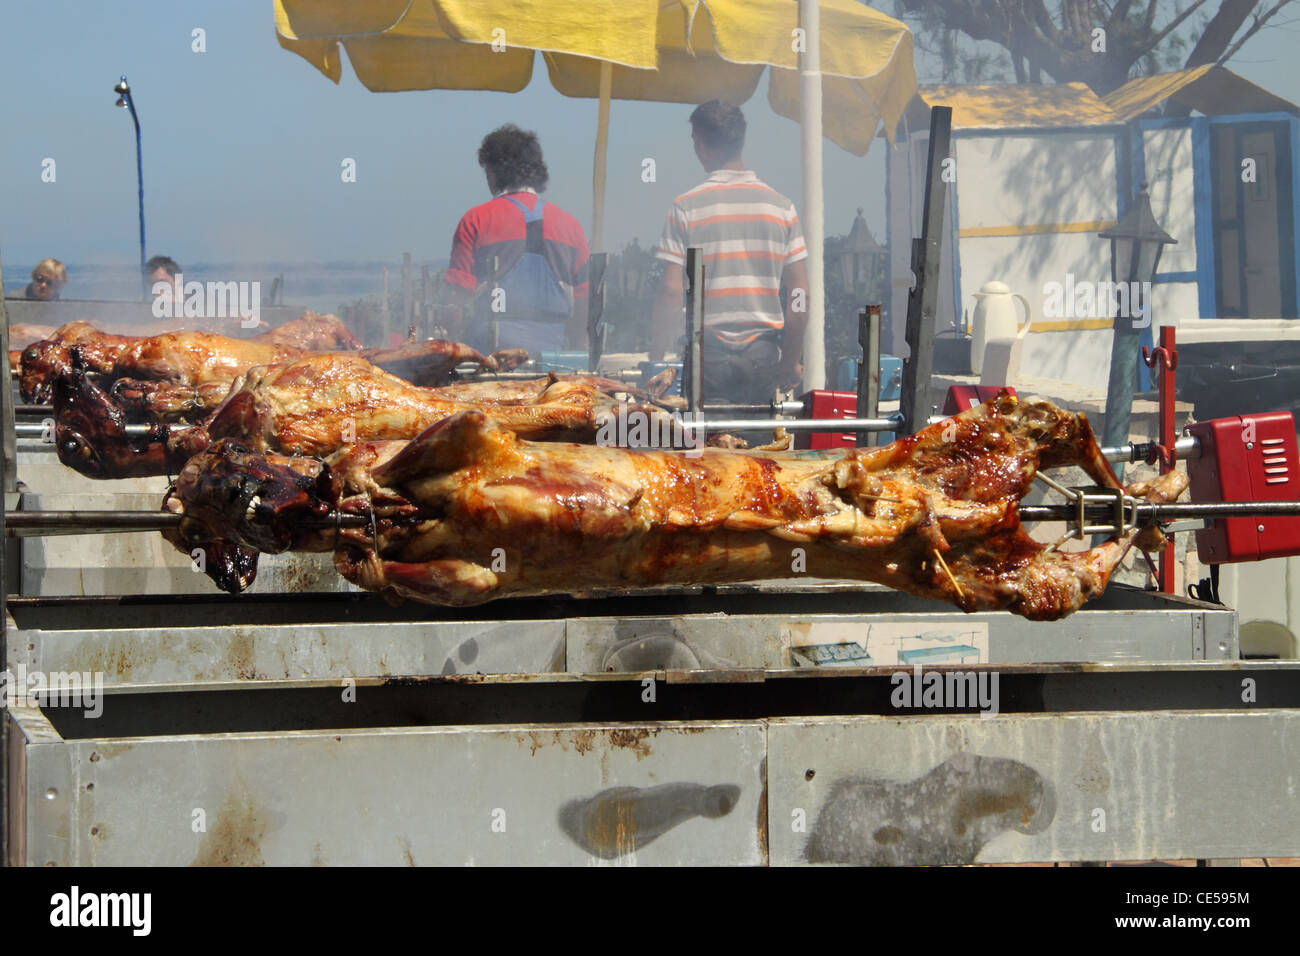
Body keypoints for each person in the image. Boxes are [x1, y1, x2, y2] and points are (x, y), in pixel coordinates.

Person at [650, 100, 809, 404]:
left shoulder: (685, 208)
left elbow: (671, 291)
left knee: (706, 448)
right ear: (743, 140)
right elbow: (800, 295)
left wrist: (657, 354)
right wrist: (791, 358)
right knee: (756, 448)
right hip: (762, 356)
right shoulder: (782, 209)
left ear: (698, 143)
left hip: (706, 357)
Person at [442, 125, 590, 354]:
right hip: (554, 359)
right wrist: (579, 353)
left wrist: (448, 352)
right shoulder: (571, 226)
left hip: (490, 357)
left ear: (492, 172)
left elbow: (455, 300)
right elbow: (584, 304)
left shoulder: (476, 220)